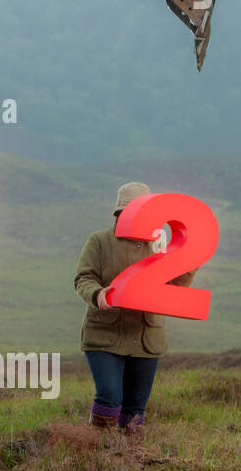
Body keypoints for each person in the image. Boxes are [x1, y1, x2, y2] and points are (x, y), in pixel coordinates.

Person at [73, 181, 198, 435]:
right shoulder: (99, 241)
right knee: (109, 395)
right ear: (119, 213)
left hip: (145, 339)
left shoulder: (159, 244)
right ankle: (96, 451)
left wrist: (188, 261)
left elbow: (174, 286)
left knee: (135, 408)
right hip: (104, 335)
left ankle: (128, 461)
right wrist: (98, 295)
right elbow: (83, 278)